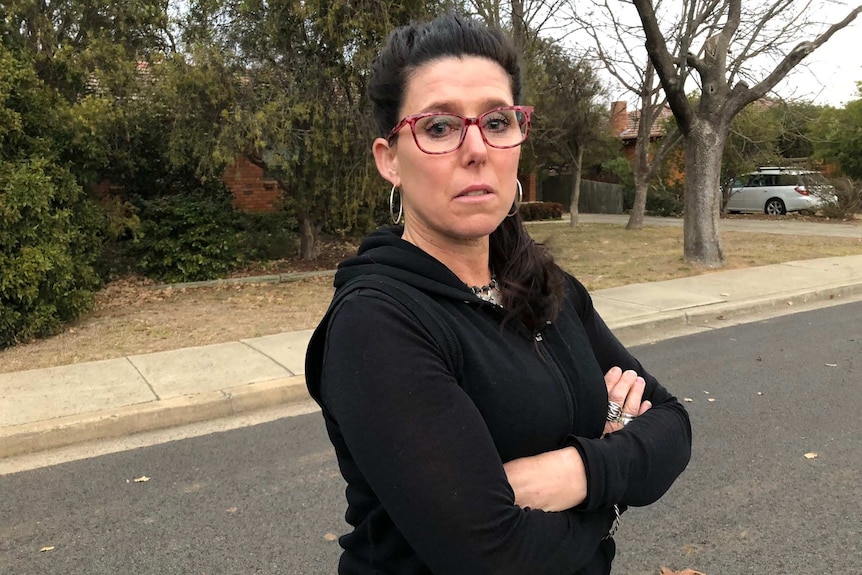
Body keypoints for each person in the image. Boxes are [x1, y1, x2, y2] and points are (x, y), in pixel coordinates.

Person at [305, 13, 692, 575]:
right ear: (390, 159)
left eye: (497, 120)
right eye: (438, 127)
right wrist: (611, 493)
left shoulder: (549, 289)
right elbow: (492, 556)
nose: (477, 148)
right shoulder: (377, 322)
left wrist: (573, 474)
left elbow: (674, 426)